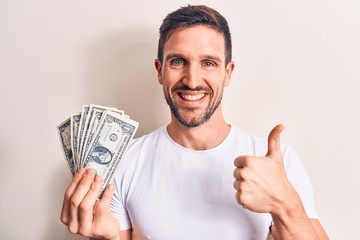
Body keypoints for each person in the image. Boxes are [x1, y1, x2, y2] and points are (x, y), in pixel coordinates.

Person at [60, 5, 329, 240]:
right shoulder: (125, 162)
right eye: (178, 61)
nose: (192, 79)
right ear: (159, 71)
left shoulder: (279, 164)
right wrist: (105, 239)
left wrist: (284, 204)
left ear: (228, 72)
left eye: (208, 63)